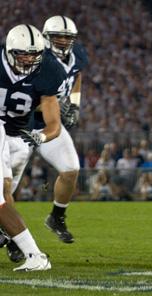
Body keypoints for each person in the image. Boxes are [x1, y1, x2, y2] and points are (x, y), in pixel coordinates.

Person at [0, 24, 62, 270]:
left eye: (35, 55)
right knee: (2, 195)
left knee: (5, 196)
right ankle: (29, 251)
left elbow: (54, 124)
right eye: (23, 54)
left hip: (18, 137)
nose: (29, 60)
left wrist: (41, 137)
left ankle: (27, 250)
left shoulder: (48, 70)